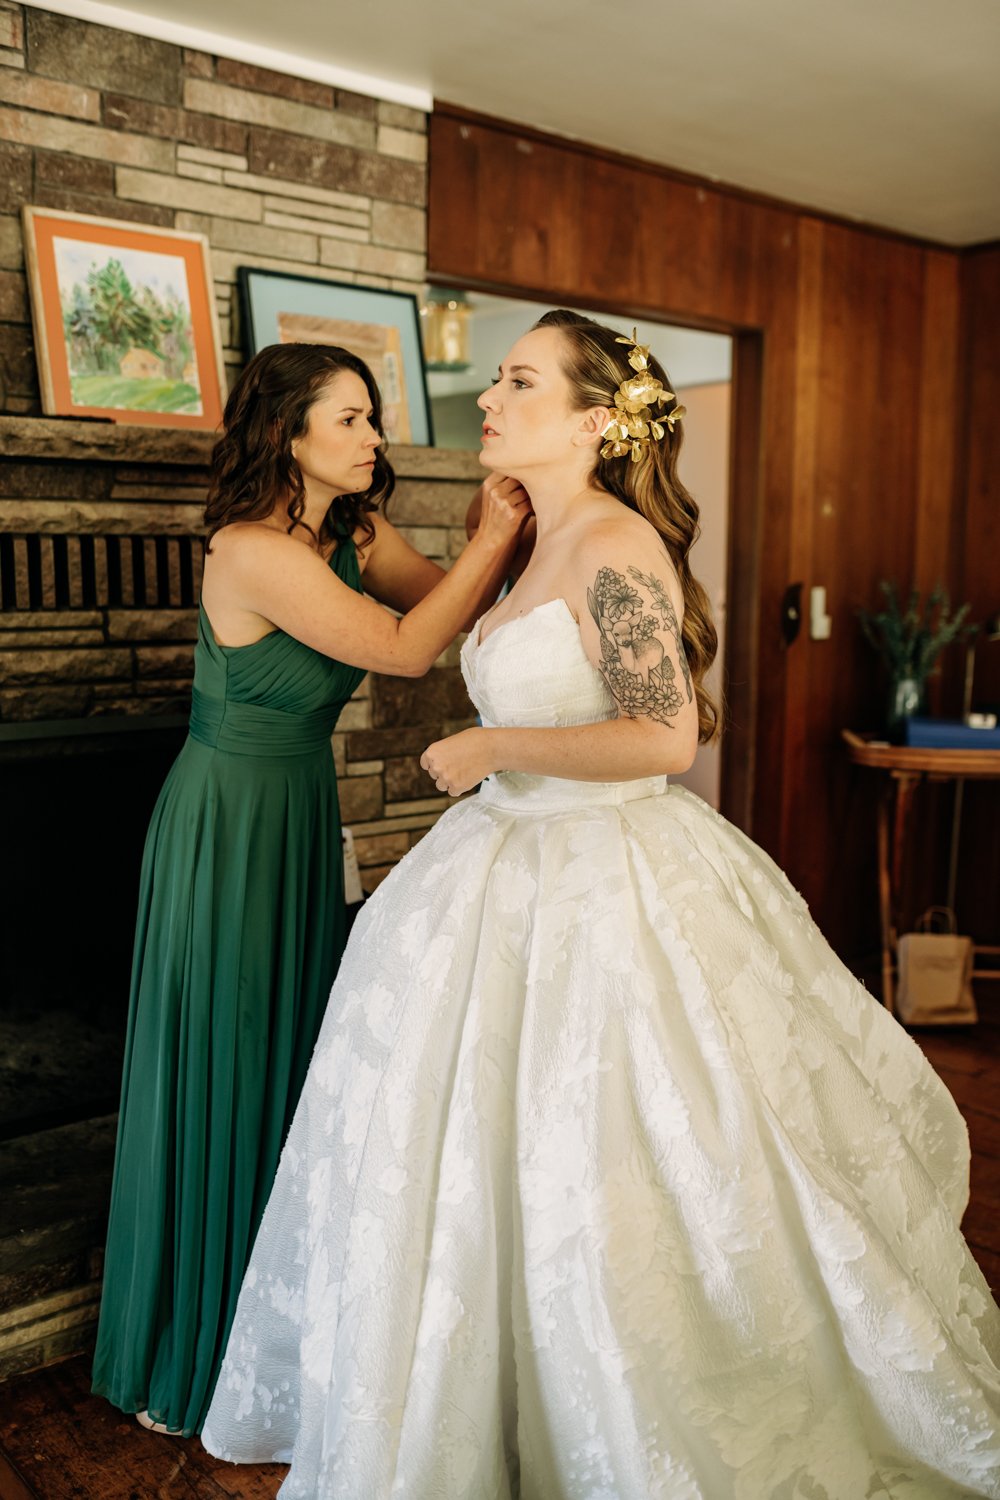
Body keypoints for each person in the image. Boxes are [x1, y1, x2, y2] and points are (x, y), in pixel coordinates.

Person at [201, 313, 1000, 1498]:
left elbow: (664, 734)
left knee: (623, 1152)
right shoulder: (532, 540)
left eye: (516, 380)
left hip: (605, 876)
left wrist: (491, 743)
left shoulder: (617, 544)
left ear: (590, 419)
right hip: (499, 866)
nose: (486, 397)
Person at [91, 342, 530, 1438]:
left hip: (295, 818)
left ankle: (277, 1345)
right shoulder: (244, 552)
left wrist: (545, 548)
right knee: (224, 1068)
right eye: (350, 419)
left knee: (294, 1071)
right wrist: (493, 531)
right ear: (287, 432)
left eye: (371, 418)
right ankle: (187, 1356)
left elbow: (462, 620)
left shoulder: (354, 535)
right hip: (223, 824)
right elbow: (399, 649)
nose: (374, 438)